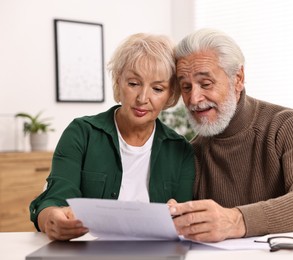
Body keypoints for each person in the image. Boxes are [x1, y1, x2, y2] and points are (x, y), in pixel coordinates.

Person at [168, 28, 293, 242]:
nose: (194, 98)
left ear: (238, 78)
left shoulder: (288, 125)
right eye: (185, 86)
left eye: (206, 84)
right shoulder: (193, 152)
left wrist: (236, 220)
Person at [30, 33, 195, 241]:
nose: (143, 98)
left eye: (157, 88)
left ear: (171, 94)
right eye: (134, 83)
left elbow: (183, 220)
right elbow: (53, 201)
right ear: (118, 81)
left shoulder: (181, 150)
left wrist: (179, 215)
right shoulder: (81, 133)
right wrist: (50, 219)